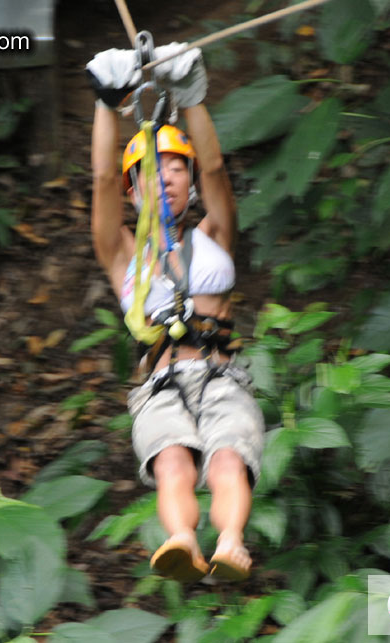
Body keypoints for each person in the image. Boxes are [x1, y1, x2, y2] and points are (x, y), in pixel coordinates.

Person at [86, 43, 265, 582]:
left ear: (188, 181)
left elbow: (215, 166)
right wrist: (106, 103)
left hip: (221, 376)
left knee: (229, 459)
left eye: (174, 168)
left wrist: (191, 95)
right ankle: (182, 539)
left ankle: (230, 542)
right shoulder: (122, 255)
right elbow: (101, 180)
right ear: (132, 190)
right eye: (150, 170)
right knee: (172, 462)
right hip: (160, 383)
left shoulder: (214, 234)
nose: (164, 177)